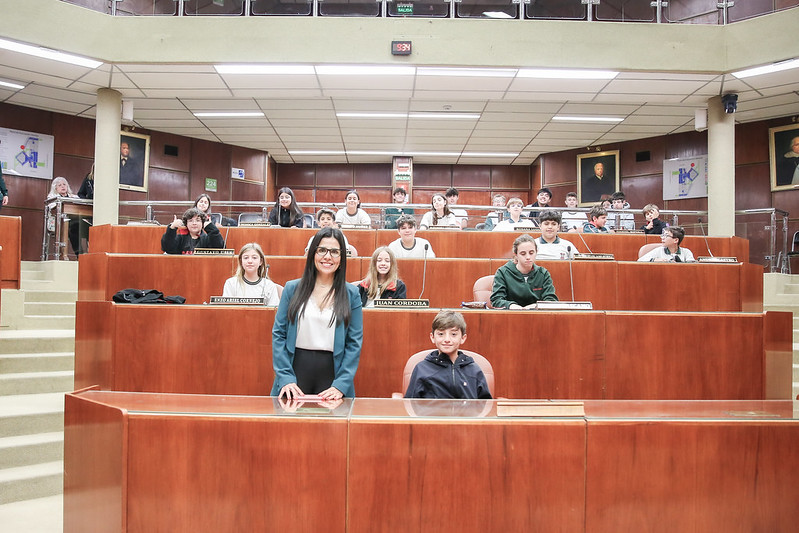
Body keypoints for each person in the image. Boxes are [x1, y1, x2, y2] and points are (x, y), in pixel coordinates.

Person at [272, 227, 363, 400]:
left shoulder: (351, 294)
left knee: (333, 426)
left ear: (342, 257)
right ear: (312, 253)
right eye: (322, 250)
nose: (328, 257)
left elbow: (354, 343)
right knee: (289, 425)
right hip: (294, 371)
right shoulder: (292, 288)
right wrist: (285, 377)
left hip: (333, 374)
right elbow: (279, 334)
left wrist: (341, 384)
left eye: (335, 252)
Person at [404, 310, 491, 400]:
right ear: (432, 337)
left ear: (463, 338)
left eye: (453, 334)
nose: (447, 339)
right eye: (441, 334)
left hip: (467, 414)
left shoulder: (474, 370)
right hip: (431, 414)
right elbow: (410, 406)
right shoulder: (421, 369)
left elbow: (486, 406)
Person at [490, 234, 557, 309]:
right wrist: (512, 306)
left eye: (531, 253)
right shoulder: (502, 272)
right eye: (523, 254)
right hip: (510, 316)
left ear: (536, 252)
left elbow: (551, 300)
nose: (528, 257)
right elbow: (496, 300)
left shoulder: (543, 273)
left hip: (537, 316)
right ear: (516, 255)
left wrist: (535, 306)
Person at [46, 176, 81, 258]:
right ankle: (74, 254)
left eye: (64, 184)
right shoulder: (52, 197)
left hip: (74, 222)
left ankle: (83, 254)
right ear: (55, 188)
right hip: (57, 222)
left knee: (82, 226)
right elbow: (52, 208)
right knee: (73, 227)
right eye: (60, 185)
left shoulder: (74, 197)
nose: (63, 186)